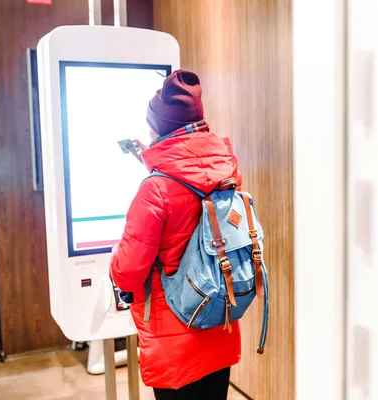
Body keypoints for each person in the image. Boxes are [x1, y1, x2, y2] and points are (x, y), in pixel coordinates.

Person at [110, 70, 242, 399]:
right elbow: (190, 191)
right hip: (218, 323)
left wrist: (114, 260)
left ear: (160, 127)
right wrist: (154, 160)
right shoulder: (225, 171)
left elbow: (127, 274)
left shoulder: (154, 190)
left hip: (176, 341)